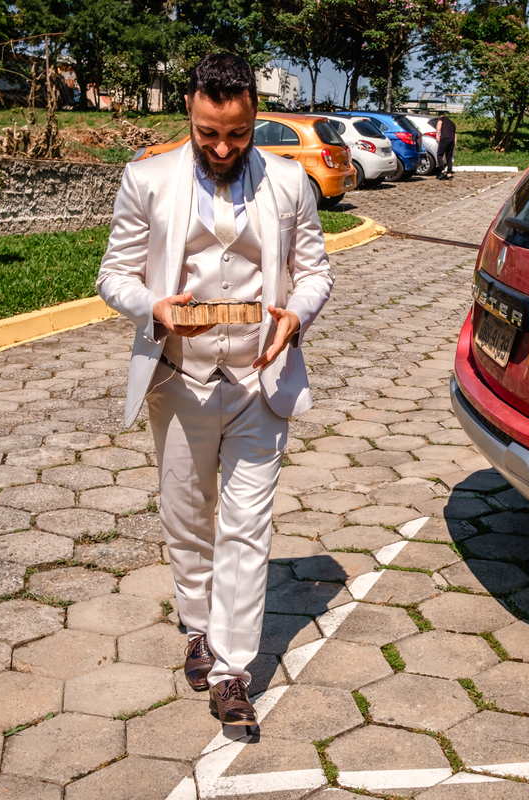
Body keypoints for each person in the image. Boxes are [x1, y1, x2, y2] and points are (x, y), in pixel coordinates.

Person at [96, 53, 333, 726]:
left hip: (261, 381)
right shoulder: (146, 179)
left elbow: (315, 272)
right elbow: (113, 274)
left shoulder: (290, 184)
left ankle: (232, 669)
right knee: (187, 516)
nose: (223, 148)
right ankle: (196, 624)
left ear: (254, 117)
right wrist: (152, 307)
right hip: (179, 378)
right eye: (208, 134)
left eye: (236, 133)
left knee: (247, 529)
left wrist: (298, 313)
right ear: (190, 115)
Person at [434, 113, 457, 180]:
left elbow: (439, 124)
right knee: (449, 157)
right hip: (451, 140)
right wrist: (454, 143)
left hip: (445, 139)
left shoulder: (442, 119)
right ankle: (449, 174)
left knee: (439, 155)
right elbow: (455, 134)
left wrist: (437, 134)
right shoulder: (452, 123)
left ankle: (443, 170)